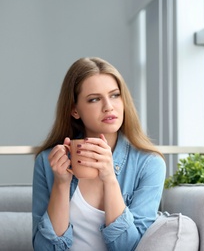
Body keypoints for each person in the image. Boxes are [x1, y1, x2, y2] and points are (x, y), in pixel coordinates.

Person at [32, 57, 166, 250]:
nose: (108, 106)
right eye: (94, 99)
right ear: (74, 110)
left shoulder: (149, 164)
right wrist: (61, 185)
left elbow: (129, 247)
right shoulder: (47, 162)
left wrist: (110, 179)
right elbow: (43, 248)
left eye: (115, 95)